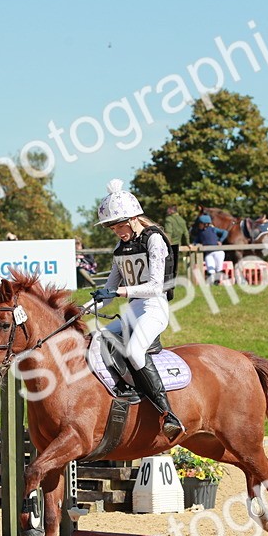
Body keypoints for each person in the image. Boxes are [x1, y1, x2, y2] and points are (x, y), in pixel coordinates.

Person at [89, 178, 184, 441]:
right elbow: (108, 293)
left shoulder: (155, 241)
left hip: (154, 308)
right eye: (112, 227)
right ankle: (125, 393)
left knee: (134, 350)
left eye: (120, 225)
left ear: (133, 219)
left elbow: (155, 286)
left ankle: (168, 414)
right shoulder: (120, 249)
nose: (117, 231)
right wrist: (83, 307)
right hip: (133, 309)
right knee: (97, 339)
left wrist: (119, 292)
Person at [196, 214, 227, 284]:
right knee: (210, 269)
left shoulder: (213, 229)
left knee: (218, 268)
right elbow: (196, 241)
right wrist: (193, 244)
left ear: (205, 224)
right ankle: (212, 283)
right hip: (208, 253)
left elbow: (225, 232)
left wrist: (220, 240)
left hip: (218, 252)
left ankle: (217, 283)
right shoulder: (200, 233)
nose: (199, 225)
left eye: (200, 224)